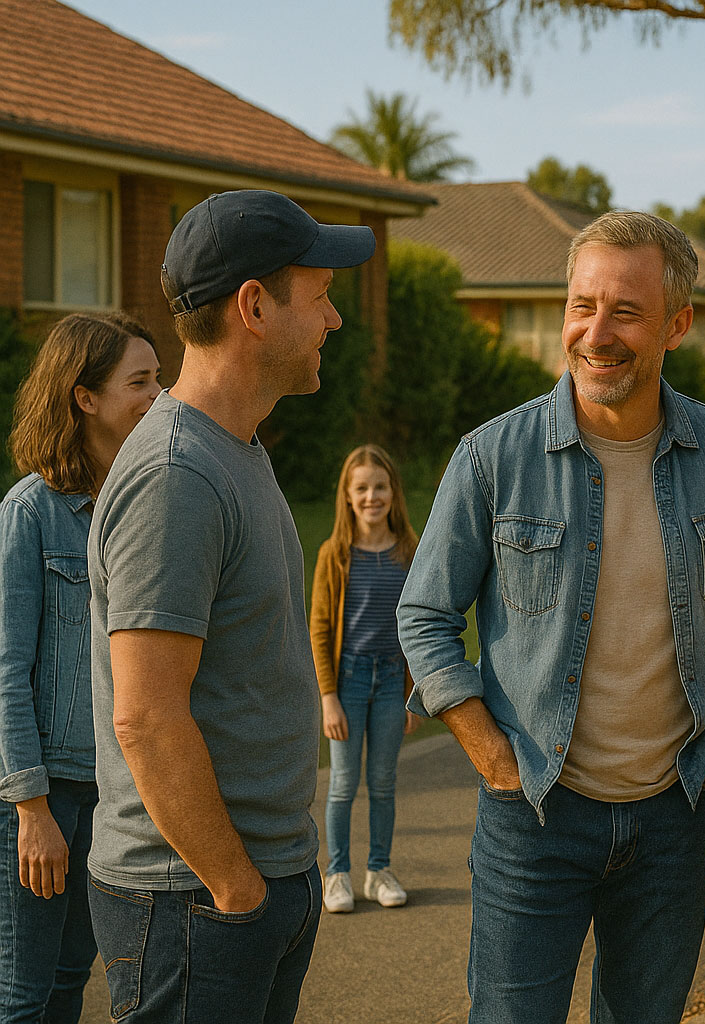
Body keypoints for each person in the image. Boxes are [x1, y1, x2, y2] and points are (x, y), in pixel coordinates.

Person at [398, 210, 705, 1024]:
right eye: (581, 305)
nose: (595, 333)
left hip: (676, 821)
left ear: (678, 324)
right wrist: (489, 751)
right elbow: (425, 614)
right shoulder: (492, 457)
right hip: (533, 815)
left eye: (625, 312)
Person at [86, 189, 375, 1024]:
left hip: (245, 885)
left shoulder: (233, 446)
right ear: (255, 306)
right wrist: (236, 889)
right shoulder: (178, 475)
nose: (334, 320)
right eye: (319, 295)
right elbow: (145, 716)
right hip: (192, 898)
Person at [1, 313, 160, 1024]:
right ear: (84, 397)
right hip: (45, 800)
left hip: (114, 796)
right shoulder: (29, 513)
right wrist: (32, 810)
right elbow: (6, 671)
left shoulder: (141, 507)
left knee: (71, 984)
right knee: (23, 997)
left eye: (159, 377)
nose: (160, 393)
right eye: (141, 381)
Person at [310, 444, 421, 914]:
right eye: (362, 489)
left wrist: (414, 693)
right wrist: (328, 697)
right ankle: (337, 874)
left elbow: (421, 624)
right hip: (349, 680)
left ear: (393, 493)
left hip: (393, 681)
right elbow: (319, 627)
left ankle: (379, 871)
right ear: (348, 496)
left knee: (383, 781)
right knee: (342, 783)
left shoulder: (410, 552)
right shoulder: (335, 554)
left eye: (380, 487)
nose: (372, 496)